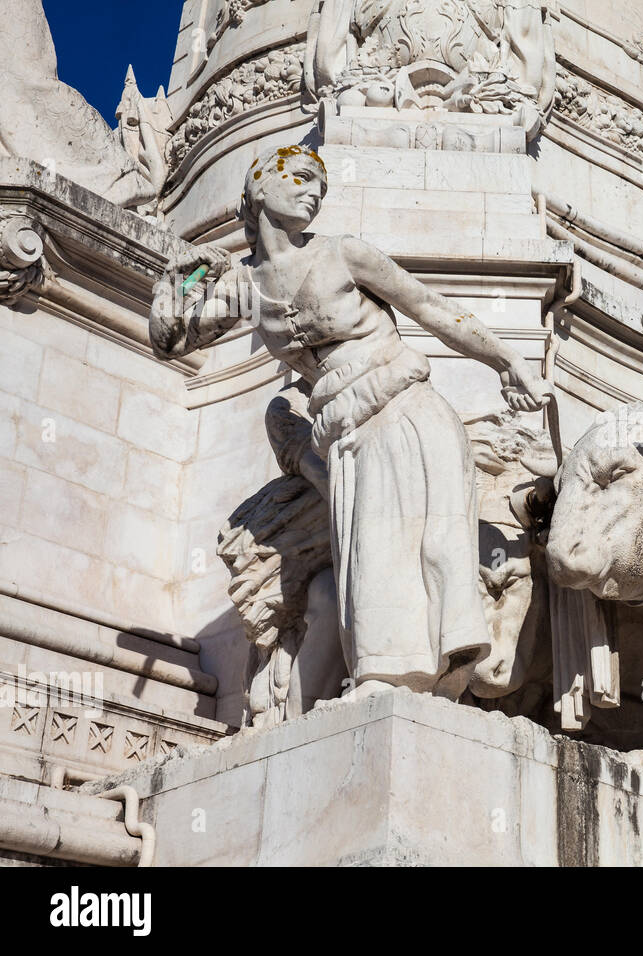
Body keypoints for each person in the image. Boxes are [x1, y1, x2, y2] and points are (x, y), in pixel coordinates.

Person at [150, 144, 553, 700]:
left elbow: (429, 307)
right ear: (260, 188)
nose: (314, 191)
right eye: (299, 178)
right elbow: (171, 338)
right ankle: (389, 677)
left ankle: (398, 680)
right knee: (368, 556)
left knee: (414, 546)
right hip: (347, 432)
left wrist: (508, 361)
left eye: (321, 184)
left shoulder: (344, 255)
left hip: (404, 410)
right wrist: (177, 281)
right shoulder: (247, 288)